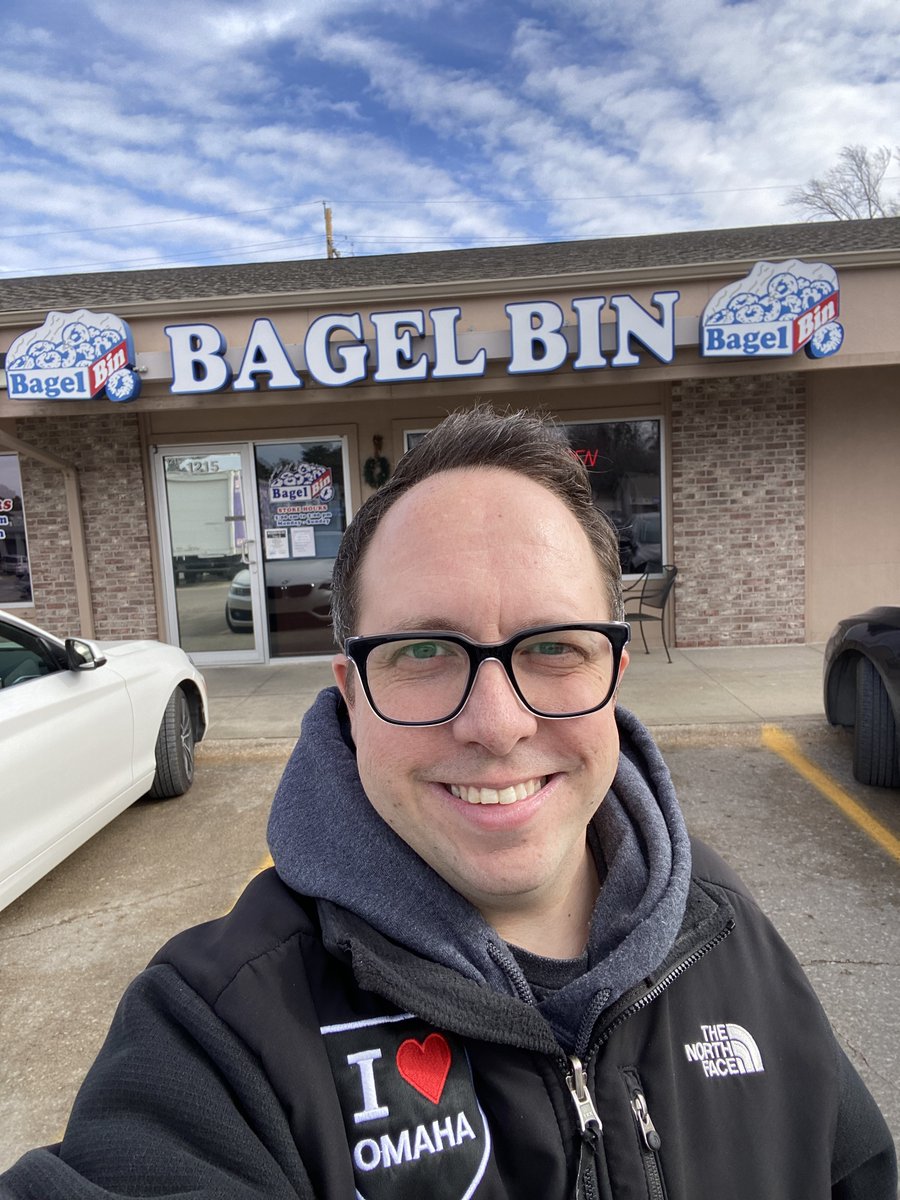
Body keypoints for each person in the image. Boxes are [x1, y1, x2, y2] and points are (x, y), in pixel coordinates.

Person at [1, 406, 895, 1200]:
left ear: (615, 675)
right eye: (425, 652)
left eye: (553, 645)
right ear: (351, 695)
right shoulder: (216, 1033)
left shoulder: (729, 930)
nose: (497, 725)